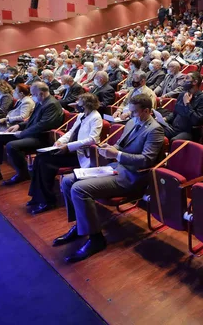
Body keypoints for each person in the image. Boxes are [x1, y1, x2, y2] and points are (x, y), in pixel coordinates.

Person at [54, 94, 164, 263]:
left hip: (132, 177)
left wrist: (117, 154)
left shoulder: (154, 129)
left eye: (134, 112)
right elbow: (120, 144)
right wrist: (110, 147)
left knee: (79, 188)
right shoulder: (131, 122)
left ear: (147, 111)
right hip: (116, 168)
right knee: (68, 180)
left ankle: (96, 238)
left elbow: (146, 160)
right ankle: (80, 226)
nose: (130, 114)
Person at [28, 93, 104, 215]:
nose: (76, 105)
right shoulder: (81, 115)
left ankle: (48, 200)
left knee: (46, 163)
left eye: (79, 103)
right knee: (40, 158)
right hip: (70, 149)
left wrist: (68, 146)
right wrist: (60, 141)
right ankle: (37, 196)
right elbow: (70, 132)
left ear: (86, 105)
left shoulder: (96, 117)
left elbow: (92, 139)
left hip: (81, 154)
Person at [0, 82, 64, 188]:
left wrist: (22, 133)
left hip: (42, 137)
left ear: (41, 94)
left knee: (12, 146)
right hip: (31, 133)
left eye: (33, 94)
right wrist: (19, 126)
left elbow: (43, 125)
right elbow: (32, 120)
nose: (32, 97)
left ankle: (23, 173)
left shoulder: (51, 104)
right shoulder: (42, 101)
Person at [157, 72, 203, 141]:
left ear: (195, 82)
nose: (184, 80)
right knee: (155, 130)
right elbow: (175, 113)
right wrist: (165, 119)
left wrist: (187, 104)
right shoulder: (182, 94)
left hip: (188, 131)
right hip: (174, 128)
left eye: (187, 78)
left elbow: (196, 120)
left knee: (175, 140)